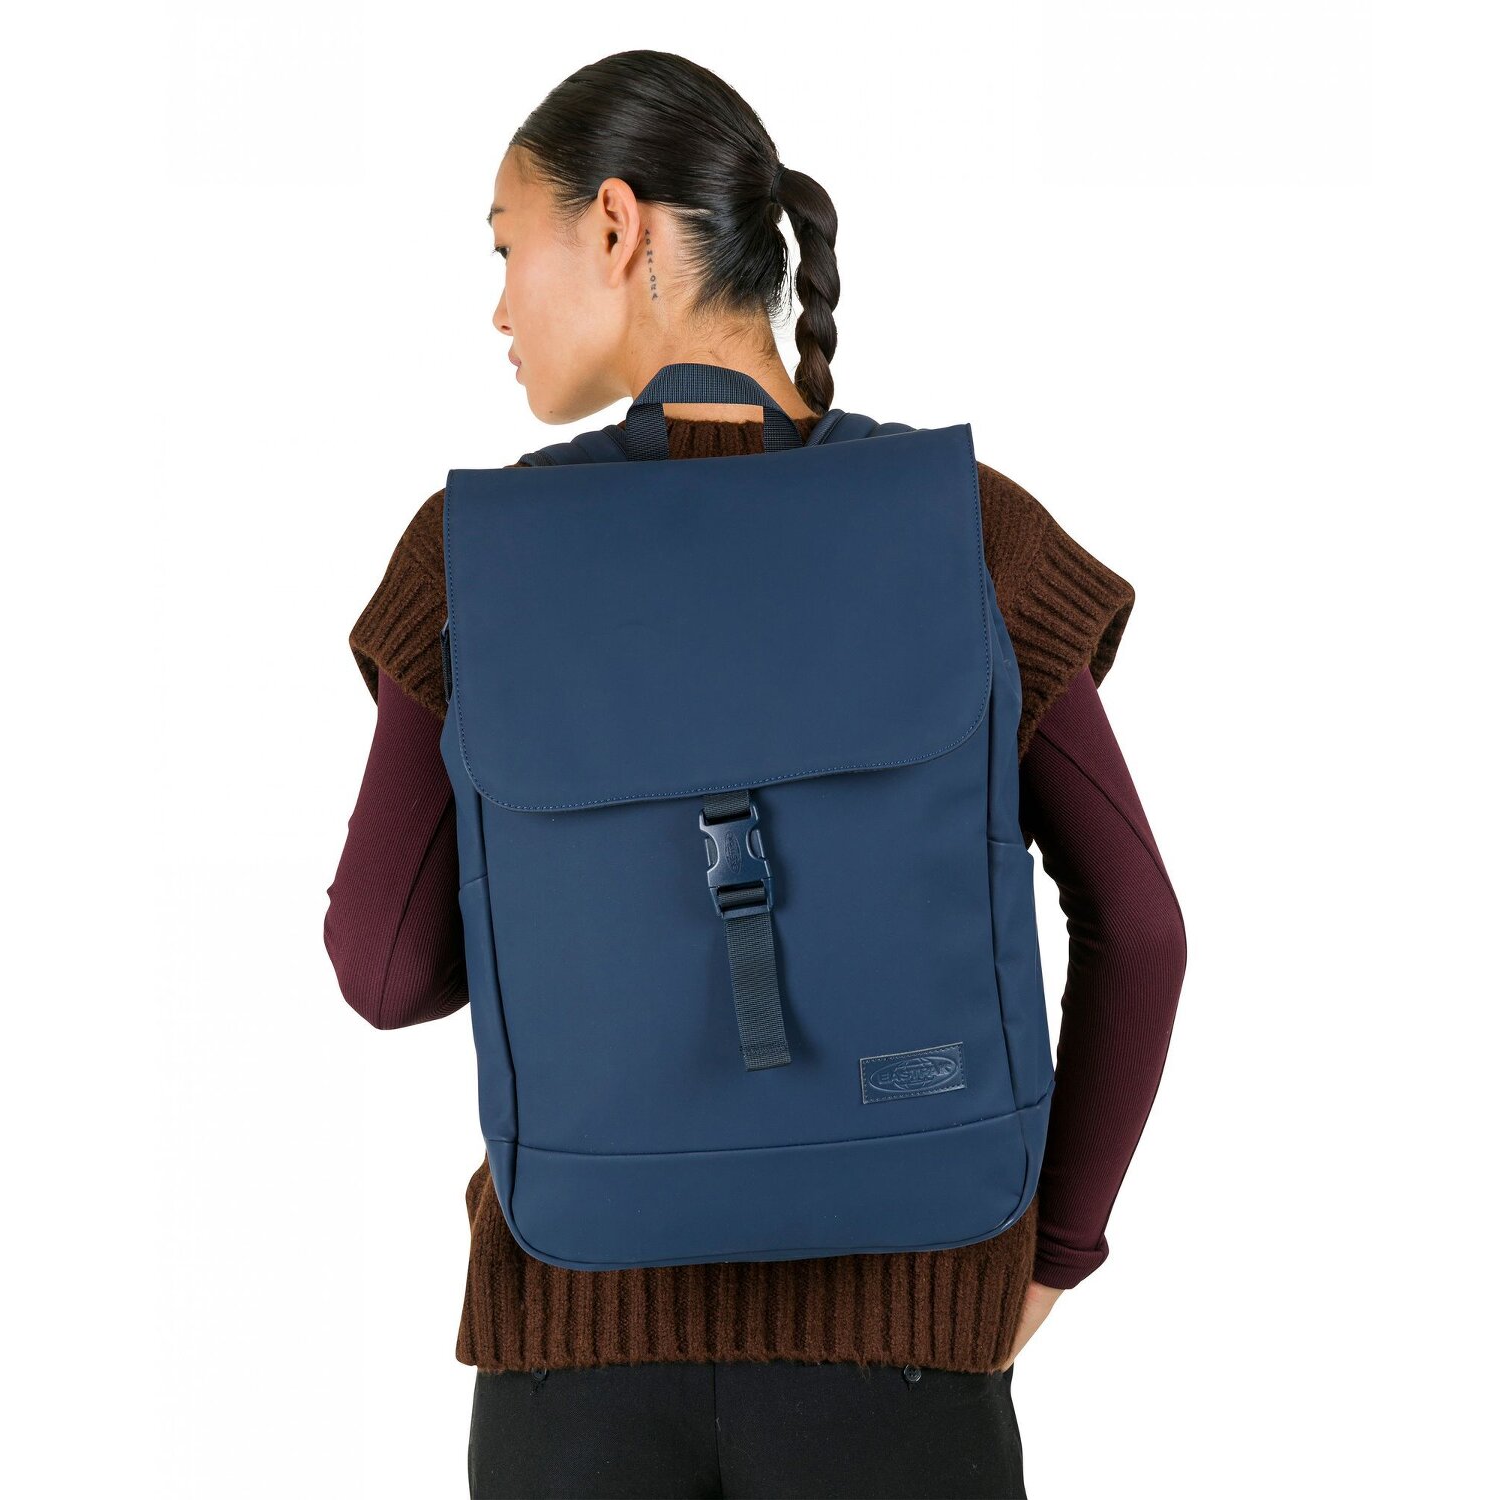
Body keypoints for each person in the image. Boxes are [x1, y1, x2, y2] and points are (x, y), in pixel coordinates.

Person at [324, 48, 1187, 1500]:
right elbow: (1142, 929)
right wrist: (1052, 1256)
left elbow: (387, 965)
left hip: (575, 1367)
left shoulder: (471, 560)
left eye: (505, 248)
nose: (498, 307)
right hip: (907, 1357)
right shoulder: (972, 532)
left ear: (616, 225)